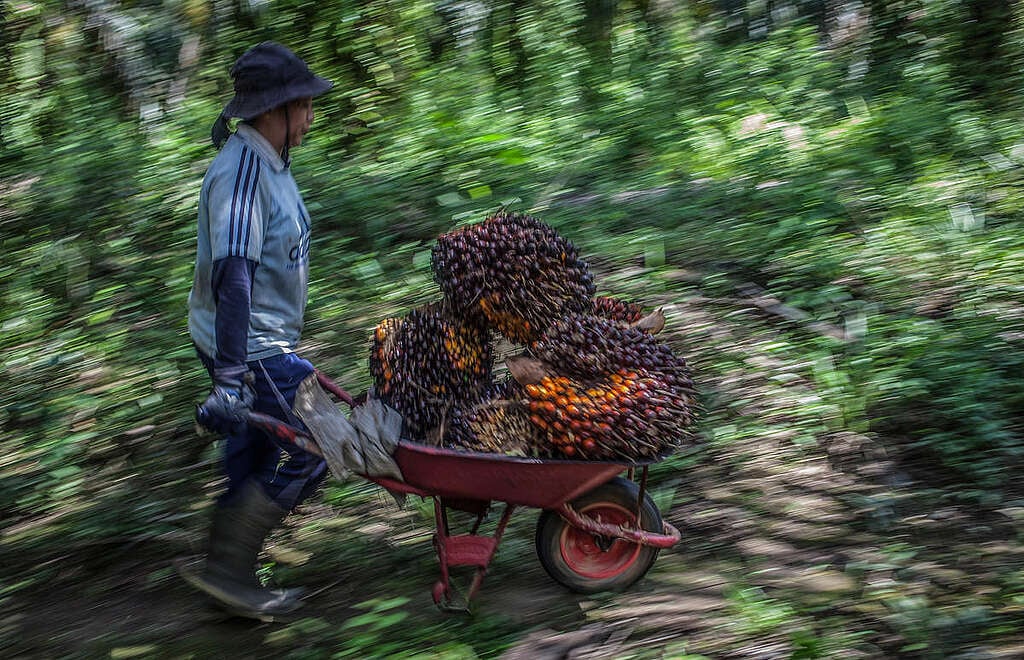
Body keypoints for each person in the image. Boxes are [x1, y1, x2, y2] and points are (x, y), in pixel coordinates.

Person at [181, 41, 334, 621]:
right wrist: (229, 376)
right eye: (304, 105)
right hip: (248, 344)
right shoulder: (242, 170)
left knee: (252, 449)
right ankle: (229, 569)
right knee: (315, 447)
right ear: (274, 109)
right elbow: (234, 274)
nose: (311, 116)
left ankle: (226, 579)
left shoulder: (271, 161)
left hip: (261, 341)